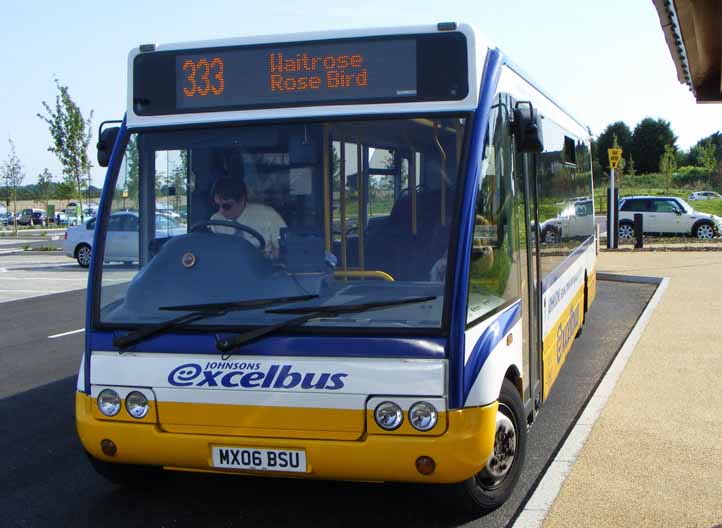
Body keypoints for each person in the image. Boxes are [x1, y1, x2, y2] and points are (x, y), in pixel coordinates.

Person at [209, 177, 286, 258]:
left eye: (226, 206)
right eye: (217, 205)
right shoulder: (215, 220)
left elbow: (283, 250)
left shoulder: (269, 216)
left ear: (242, 200)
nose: (221, 211)